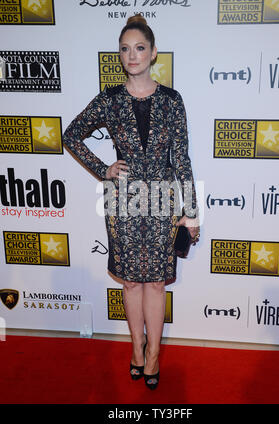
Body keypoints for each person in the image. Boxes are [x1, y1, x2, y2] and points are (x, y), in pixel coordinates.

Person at [63, 14, 200, 390]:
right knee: (129, 285)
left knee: (156, 285)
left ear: (153, 53)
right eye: (125, 49)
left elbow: (182, 159)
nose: (132, 55)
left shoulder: (172, 101)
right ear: (120, 56)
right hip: (122, 202)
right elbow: (71, 135)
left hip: (160, 200)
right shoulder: (109, 100)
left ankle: (154, 353)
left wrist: (190, 213)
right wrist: (101, 168)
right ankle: (136, 348)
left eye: (139, 48)